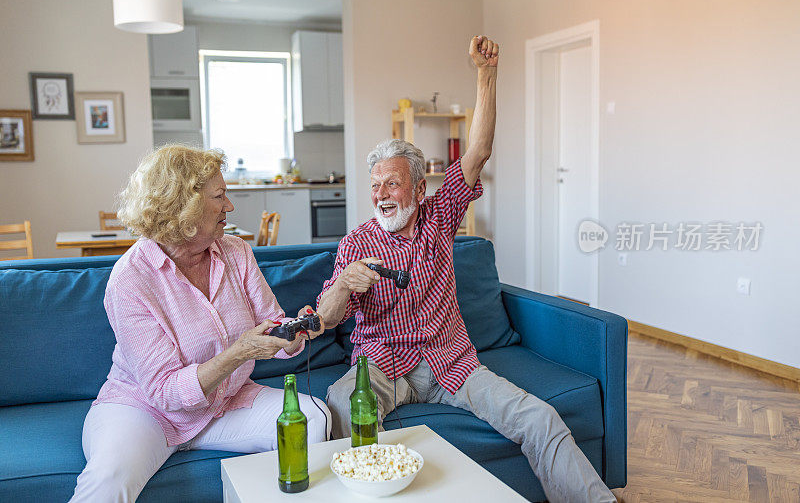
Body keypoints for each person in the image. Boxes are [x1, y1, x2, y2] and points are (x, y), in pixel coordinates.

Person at [316, 36, 615, 502]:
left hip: (450, 363)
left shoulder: (440, 216)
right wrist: (345, 284)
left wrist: (486, 74)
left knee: (539, 418)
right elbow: (327, 317)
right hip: (379, 367)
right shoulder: (356, 242)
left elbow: (477, 151)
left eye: (392, 183)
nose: (381, 194)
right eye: (375, 185)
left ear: (418, 188)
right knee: (339, 406)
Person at [70, 145, 330, 502]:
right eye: (220, 196)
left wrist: (295, 330)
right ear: (184, 207)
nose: (230, 206)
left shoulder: (236, 252)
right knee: (108, 479)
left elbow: (270, 325)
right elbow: (165, 392)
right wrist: (239, 353)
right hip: (147, 412)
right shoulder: (130, 280)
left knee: (313, 418)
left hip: (224, 403)